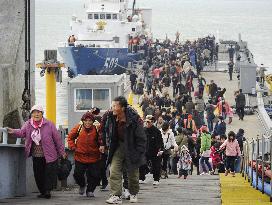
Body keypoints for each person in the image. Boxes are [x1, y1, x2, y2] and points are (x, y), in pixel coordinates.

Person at [7, 105, 66, 199]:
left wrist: (62, 151)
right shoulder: (28, 124)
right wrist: (13, 131)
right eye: (34, 112)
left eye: (38, 112)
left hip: (50, 155)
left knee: (49, 174)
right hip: (36, 154)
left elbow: (57, 139)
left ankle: (47, 191)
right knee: (38, 174)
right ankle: (43, 191)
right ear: (31, 114)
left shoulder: (49, 124)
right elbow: (22, 132)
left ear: (42, 114)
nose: (36, 114)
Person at [101, 96, 146, 204]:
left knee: (132, 174)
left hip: (132, 147)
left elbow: (141, 138)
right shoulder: (110, 116)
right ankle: (116, 195)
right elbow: (104, 129)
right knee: (114, 171)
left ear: (122, 108)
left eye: (115, 106)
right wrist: (105, 143)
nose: (112, 108)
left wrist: (139, 152)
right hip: (118, 146)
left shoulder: (134, 119)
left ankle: (133, 193)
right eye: (112, 105)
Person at [67, 111, 105, 197]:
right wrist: (73, 147)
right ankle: (82, 185)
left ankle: (90, 190)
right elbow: (70, 137)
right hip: (80, 156)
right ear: (83, 121)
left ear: (93, 121)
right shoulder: (79, 127)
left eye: (90, 121)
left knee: (95, 176)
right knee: (77, 174)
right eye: (86, 120)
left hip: (94, 156)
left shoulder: (97, 128)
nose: (88, 123)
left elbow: (102, 138)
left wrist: (102, 145)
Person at [139, 115, 164, 186]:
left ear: (152, 122)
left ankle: (156, 179)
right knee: (141, 164)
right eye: (146, 122)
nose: (147, 123)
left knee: (156, 166)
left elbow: (160, 142)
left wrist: (161, 149)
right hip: (144, 150)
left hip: (154, 151)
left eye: (148, 122)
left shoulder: (156, 131)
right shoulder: (142, 130)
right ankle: (141, 177)